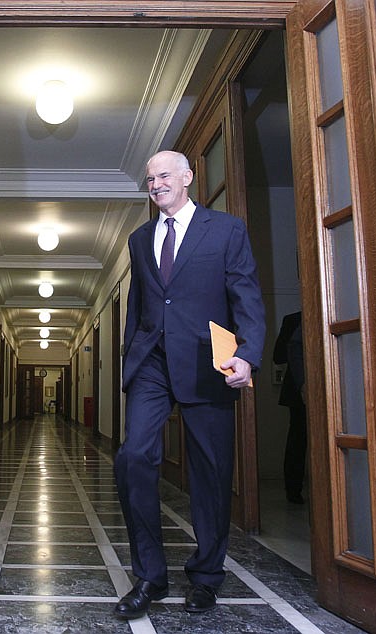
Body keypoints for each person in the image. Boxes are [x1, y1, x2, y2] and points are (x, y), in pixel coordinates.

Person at [114, 150, 265, 619]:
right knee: (134, 457)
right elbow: (140, 303)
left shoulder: (226, 230)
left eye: (164, 175)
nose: (156, 184)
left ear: (187, 177)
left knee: (211, 472)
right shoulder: (140, 239)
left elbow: (245, 294)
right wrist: (130, 357)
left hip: (206, 362)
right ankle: (150, 577)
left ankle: (206, 576)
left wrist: (247, 354)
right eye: (149, 179)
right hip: (152, 363)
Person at [273, 311, 307, 504]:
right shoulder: (294, 320)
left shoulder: (294, 319)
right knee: (298, 438)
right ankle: (293, 490)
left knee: (298, 438)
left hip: (302, 385)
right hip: (298, 386)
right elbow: (278, 356)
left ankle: (294, 490)